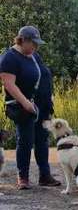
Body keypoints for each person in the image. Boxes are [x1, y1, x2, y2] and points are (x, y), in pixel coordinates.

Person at [0, 26, 61, 190]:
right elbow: (9, 84)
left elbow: (43, 74)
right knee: (25, 140)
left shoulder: (34, 56)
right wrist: (26, 103)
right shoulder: (9, 58)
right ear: (22, 40)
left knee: (42, 139)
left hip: (42, 105)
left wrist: (49, 95)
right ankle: (23, 177)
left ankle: (45, 175)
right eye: (33, 43)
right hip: (23, 106)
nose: (36, 47)